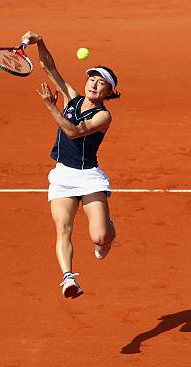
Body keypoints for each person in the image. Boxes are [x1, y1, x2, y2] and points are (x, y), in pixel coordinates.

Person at [21, 31, 120, 299]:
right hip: (63, 175)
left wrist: (51, 108)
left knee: (99, 237)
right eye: (92, 79)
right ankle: (68, 278)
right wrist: (39, 41)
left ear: (109, 92)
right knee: (63, 227)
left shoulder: (103, 116)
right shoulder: (72, 96)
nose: (94, 84)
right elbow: (48, 67)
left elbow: (74, 131)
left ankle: (108, 229)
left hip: (89, 177)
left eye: (101, 83)